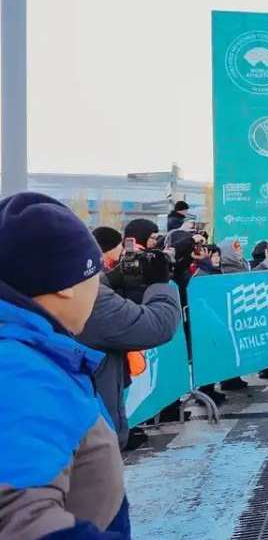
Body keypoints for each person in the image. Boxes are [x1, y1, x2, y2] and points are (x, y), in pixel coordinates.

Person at [0, 192, 129, 537]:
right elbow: (21, 520)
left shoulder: (35, 354)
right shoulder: (22, 371)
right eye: (97, 274)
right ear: (67, 286)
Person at [79, 229, 181, 449]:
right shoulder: (87, 300)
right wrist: (160, 282)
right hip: (92, 438)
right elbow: (158, 325)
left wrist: (109, 279)